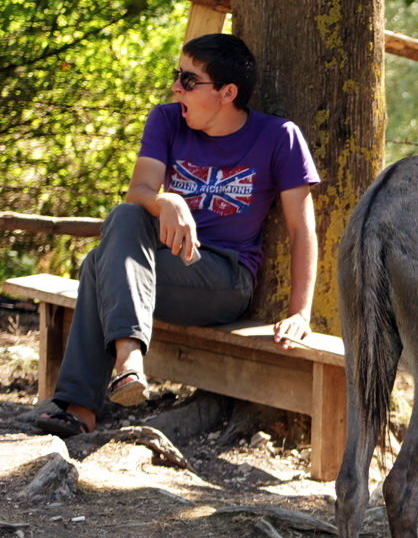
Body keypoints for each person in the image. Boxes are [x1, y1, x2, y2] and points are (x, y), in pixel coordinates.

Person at [36, 33, 319, 438]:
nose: (175, 87)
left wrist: (299, 312)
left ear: (227, 92)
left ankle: (81, 405)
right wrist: (167, 201)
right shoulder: (167, 119)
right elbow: (140, 191)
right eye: (177, 76)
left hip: (223, 277)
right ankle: (128, 359)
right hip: (160, 263)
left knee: (98, 266)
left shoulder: (279, 137)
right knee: (125, 217)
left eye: (188, 80)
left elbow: (301, 229)